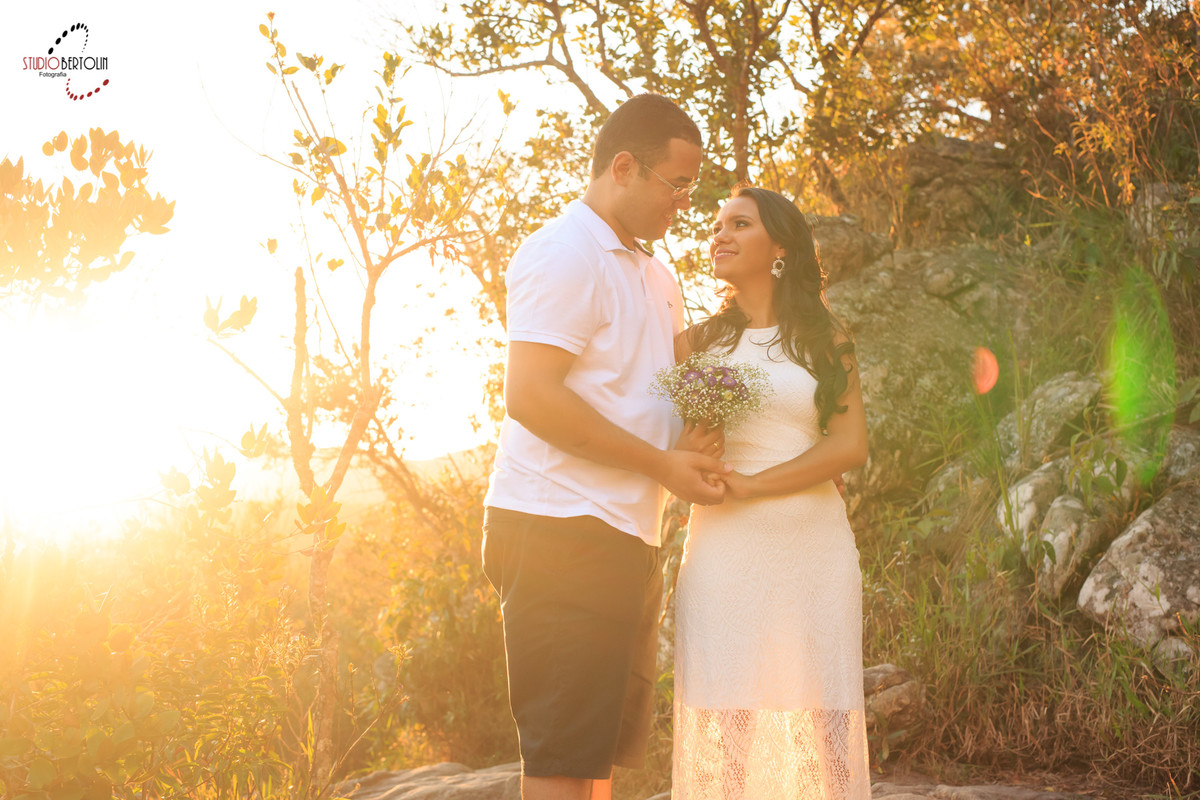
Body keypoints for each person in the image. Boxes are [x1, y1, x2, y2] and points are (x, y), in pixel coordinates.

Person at [482, 93, 730, 800]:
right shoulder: (563, 252)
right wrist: (661, 466)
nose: (685, 201)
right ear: (623, 167)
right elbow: (529, 395)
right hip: (558, 529)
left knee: (595, 761)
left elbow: (690, 397)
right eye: (675, 184)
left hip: (627, 533)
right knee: (562, 759)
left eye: (692, 187)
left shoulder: (658, 277)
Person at [671, 186, 871, 800]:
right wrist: (698, 451)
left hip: (813, 544)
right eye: (715, 226)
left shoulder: (825, 337)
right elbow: (684, 449)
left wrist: (757, 484)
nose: (719, 236)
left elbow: (847, 448)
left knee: (827, 718)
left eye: (739, 224)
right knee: (728, 719)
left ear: (779, 246)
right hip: (723, 548)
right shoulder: (698, 343)